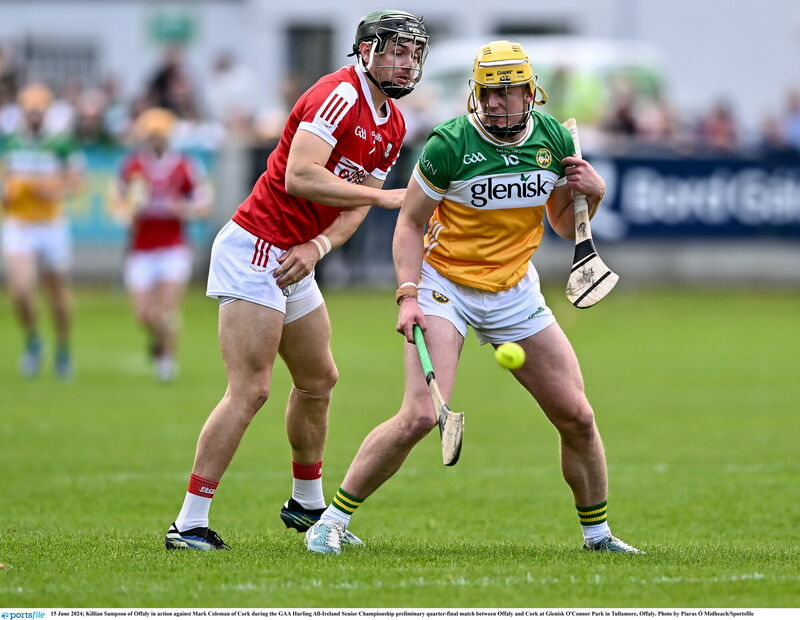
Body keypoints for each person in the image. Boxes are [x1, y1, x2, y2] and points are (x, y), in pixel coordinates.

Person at [305, 40, 643, 555]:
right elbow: (410, 223)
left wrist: (591, 197)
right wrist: (408, 295)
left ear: (531, 93)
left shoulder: (552, 138)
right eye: (487, 92)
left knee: (577, 415)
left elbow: (558, 222)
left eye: (506, 92)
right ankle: (330, 521)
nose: (495, 103)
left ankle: (598, 536)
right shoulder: (449, 145)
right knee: (419, 415)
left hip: (515, 292)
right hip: (446, 288)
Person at [164, 10, 429, 550]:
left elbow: (350, 208)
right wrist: (383, 198)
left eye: (412, 52)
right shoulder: (337, 95)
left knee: (318, 380)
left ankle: (306, 504)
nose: (406, 62)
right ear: (365, 51)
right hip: (255, 246)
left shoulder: (394, 122)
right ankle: (189, 522)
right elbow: (299, 175)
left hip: (294, 254)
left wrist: (320, 245)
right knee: (251, 390)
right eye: (395, 50)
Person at [110, 107, 211, 382]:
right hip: (141, 248)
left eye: (160, 135)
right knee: (144, 314)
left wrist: (183, 209)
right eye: (151, 135)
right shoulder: (131, 166)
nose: (156, 140)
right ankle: (157, 341)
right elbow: (117, 201)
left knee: (167, 309)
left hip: (173, 246)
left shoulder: (184, 166)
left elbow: (203, 203)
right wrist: (127, 213)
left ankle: (166, 357)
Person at [0, 83, 83, 380]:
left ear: (45, 113)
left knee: (57, 293)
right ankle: (33, 340)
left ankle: (62, 347)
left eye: (38, 111)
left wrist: (56, 190)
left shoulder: (60, 144)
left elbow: (77, 180)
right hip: (20, 223)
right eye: (29, 111)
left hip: (50, 225)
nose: (34, 116)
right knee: (21, 290)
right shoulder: (11, 142)